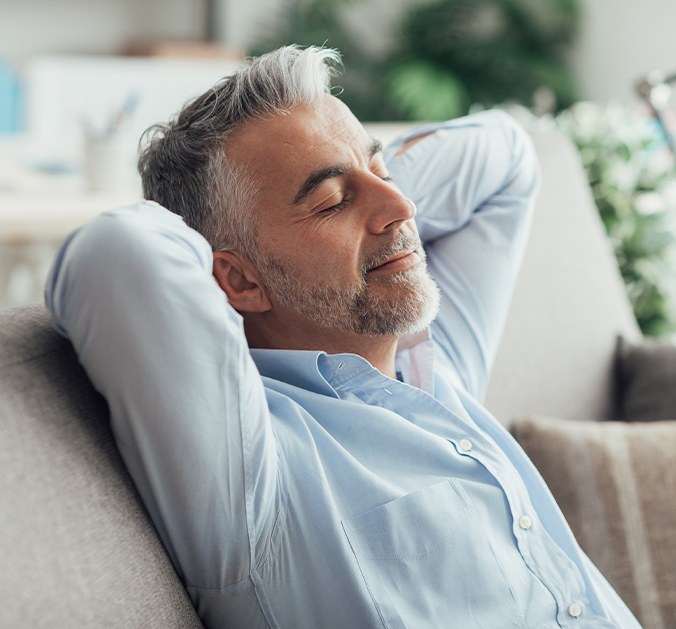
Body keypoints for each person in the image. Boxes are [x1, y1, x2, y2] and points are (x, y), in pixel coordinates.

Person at [45, 46, 640, 628]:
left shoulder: (432, 367)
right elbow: (119, 254)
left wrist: (350, 173)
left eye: (384, 172)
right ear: (237, 279)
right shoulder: (253, 477)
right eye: (331, 202)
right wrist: (205, 229)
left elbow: (504, 154)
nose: (404, 207)